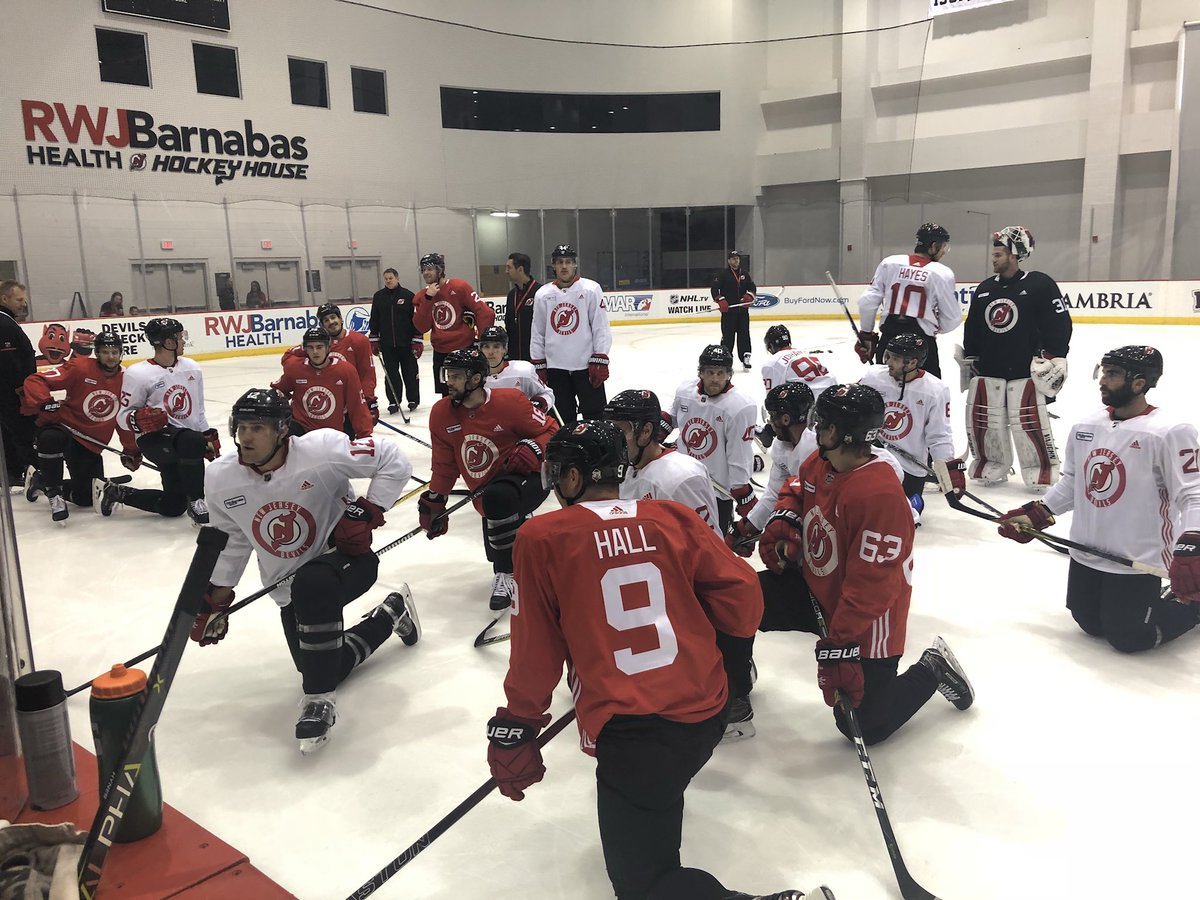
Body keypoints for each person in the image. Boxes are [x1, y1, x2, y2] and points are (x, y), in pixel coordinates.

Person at [489, 420, 832, 900]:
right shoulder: (670, 516)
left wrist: (517, 724)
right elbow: (743, 593)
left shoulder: (542, 537)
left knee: (645, 884)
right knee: (657, 797)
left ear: (571, 478)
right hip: (706, 710)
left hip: (637, 732)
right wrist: (727, 662)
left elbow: (535, 649)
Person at [747, 384, 974, 746]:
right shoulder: (821, 461)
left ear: (836, 431)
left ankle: (933, 668)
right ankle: (737, 681)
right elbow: (798, 486)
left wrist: (839, 645)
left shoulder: (878, 496)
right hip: (818, 587)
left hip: (870, 618)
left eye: (821, 421)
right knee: (736, 599)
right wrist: (786, 517)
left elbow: (872, 586)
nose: (814, 426)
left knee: (863, 725)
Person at [197, 389, 419, 753]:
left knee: (312, 589)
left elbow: (391, 457)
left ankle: (318, 702)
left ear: (283, 430)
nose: (246, 437)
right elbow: (233, 536)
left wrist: (368, 509)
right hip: (287, 587)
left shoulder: (321, 450)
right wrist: (219, 594)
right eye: (241, 428)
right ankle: (391, 613)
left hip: (348, 562)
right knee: (318, 664)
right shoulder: (221, 477)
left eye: (257, 428)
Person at [997, 346, 1200, 653]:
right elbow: (1075, 483)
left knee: (1129, 637)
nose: (1103, 381)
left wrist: (1192, 543)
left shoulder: (1170, 432)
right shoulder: (1086, 427)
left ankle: (1193, 608)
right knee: (1089, 622)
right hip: (1088, 552)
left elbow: (1193, 494)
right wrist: (1039, 513)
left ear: (1139, 383)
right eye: (1103, 372)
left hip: (1137, 560)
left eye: (1113, 374)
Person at [419, 347, 558, 611]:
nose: (449, 381)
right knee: (495, 541)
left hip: (531, 477)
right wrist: (436, 499)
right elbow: (444, 465)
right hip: (486, 491)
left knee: (499, 501)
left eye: (456, 376)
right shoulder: (441, 413)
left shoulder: (511, 402)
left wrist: (535, 448)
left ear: (475, 379)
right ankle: (521, 549)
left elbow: (553, 430)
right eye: (448, 374)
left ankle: (506, 575)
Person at [961, 226, 1072, 491]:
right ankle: (992, 464)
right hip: (991, 367)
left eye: (999, 254)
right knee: (987, 421)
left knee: (1029, 421)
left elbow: (1060, 324)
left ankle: (1040, 468)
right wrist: (971, 357)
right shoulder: (985, 289)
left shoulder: (1040, 284)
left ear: (1014, 255)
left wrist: (1054, 356)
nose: (994, 258)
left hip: (1027, 369)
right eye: (994, 253)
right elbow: (973, 327)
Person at [98, 317, 219, 524]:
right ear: (168, 342)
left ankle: (118, 493)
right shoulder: (139, 373)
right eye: (180, 337)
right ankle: (197, 500)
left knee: (173, 506)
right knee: (190, 441)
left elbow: (198, 411)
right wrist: (138, 420)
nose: (183, 341)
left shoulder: (192, 367)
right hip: (155, 440)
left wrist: (206, 435)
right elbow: (123, 416)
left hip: (185, 442)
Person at [21, 331, 124, 523]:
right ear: (97, 353)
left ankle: (39, 481)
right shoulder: (80, 367)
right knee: (49, 438)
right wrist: (44, 401)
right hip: (65, 428)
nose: (110, 357)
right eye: (105, 352)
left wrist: (131, 449)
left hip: (89, 441)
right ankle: (54, 493)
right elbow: (36, 380)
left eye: (114, 352)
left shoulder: (127, 379)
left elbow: (123, 417)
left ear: (121, 353)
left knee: (85, 497)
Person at [858, 332, 962, 508]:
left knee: (905, 514)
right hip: (872, 458)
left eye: (895, 358)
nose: (888, 362)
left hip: (910, 468)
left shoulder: (935, 390)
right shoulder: (873, 377)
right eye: (888, 356)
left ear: (913, 362)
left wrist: (948, 468)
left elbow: (939, 435)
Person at [665, 344, 757, 533]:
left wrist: (741, 490)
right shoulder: (685, 391)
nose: (715, 379)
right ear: (701, 373)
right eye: (710, 372)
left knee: (716, 542)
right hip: (682, 480)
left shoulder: (739, 406)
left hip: (717, 491)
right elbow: (671, 417)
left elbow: (739, 455)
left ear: (729, 374)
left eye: (720, 373)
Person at [604, 389, 718, 533]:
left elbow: (707, 544)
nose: (613, 442)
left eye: (621, 433)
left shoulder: (681, 478)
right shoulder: (625, 468)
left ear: (646, 431)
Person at [856, 222, 960, 378]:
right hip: (921, 343)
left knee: (884, 390)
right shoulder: (941, 273)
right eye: (942, 247)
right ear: (933, 246)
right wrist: (933, 328)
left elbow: (867, 301)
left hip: (889, 338)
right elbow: (952, 317)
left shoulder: (890, 263)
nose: (943, 252)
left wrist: (866, 335)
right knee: (928, 391)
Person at [530, 244, 611, 424]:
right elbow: (538, 331)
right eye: (560, 262)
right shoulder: (543, 294)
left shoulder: (591, 289)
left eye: (568, 262)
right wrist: (539, 363)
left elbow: (600, 326)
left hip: (586, 366)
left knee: (596, 416)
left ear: (575, 265)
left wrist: (600, 357)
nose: (564, 266)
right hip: (555, 368)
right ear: (554, 266)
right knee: (562, 419)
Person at [411, 252, 495, 397]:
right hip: (440, 354)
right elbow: (421, 327)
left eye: (429, 269)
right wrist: (428, 298)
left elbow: (485, 312)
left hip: (465, 350)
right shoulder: (421, 296)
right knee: (447, 396)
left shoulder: (460, 287)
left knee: (470, 394)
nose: (426, 273)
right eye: (423, 269)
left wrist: (483, 341)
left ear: (440, 269)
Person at [284, 303, 378, 424]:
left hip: (350, 401)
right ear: (322, 325)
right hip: (326, 402)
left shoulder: (359, 341)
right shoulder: (318, 343)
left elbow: (367, 374)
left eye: (333, 317)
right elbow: (287, 357)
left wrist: (368, 401)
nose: (331, 322)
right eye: (326, 320)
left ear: (340, 318)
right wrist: (304, 367)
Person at [272, 327, 372, 439]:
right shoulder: (295, 368)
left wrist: (364, 435)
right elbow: (278, 391)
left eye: (319, 347)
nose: (315, 352)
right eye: (310, 347)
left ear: (328, 348)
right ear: (304, 349)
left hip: (332, 434)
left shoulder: (346, 370)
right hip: (301, 431)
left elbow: (357, 405)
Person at [756, 324, 838, 449]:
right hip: (833, 399)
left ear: (770, 346)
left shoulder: (772, 362)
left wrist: (771, 427)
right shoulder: (805, 353)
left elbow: (774, 398)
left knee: (776, 409)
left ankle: (769, 434)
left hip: (809, 409)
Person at [368, 267, 420, 414]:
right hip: (387, 344)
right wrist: (374, 339)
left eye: (390, 278)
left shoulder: (409, 296)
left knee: (410, 372)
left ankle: (413, 399)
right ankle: (394, 401)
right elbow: (375, 318)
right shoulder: (379, 296)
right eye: (386, 278)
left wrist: (417, 340)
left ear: (397, 278)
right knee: (391, 374)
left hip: (406, 343)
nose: (388, 281)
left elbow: (415, 320)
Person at [0, 280, 36, 489]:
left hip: (10, 393)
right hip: (12, 394)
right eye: (19, 299)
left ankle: (14, 471)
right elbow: (9, 364)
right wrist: (23, 390)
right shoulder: (4, 324)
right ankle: (25, 469)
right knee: (20, 431)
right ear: (5, 299)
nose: (24, 303)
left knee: (10, 432)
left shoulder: (7, 321)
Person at [478, 325, 555, 413]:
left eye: (496, 347)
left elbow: (547, 394)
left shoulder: (523, 371)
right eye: (486, 347)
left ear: (505, 349)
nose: (490, 352)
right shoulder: (474, 376)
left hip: (519, 424)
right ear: (480, 349)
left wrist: (538, 405)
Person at [710, 250, 756, 370]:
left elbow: (752, 287)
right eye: (734, 258)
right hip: (729, 313)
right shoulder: (723, 274)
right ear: (729, 261)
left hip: (742, 313)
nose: (736, 260)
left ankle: (746, 357)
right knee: (727, 337)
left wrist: (749, 296)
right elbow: (714, 289)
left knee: (744, 335)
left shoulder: (744, 274)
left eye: (738, 258)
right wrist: (720, 300)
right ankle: (725, 359)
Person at [503, 252, 541, 362]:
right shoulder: (511, 295)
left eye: (509, 268)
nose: (506, 271)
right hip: (514, 357)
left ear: (520, 269)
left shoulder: (540, 292)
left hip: (534, 357)